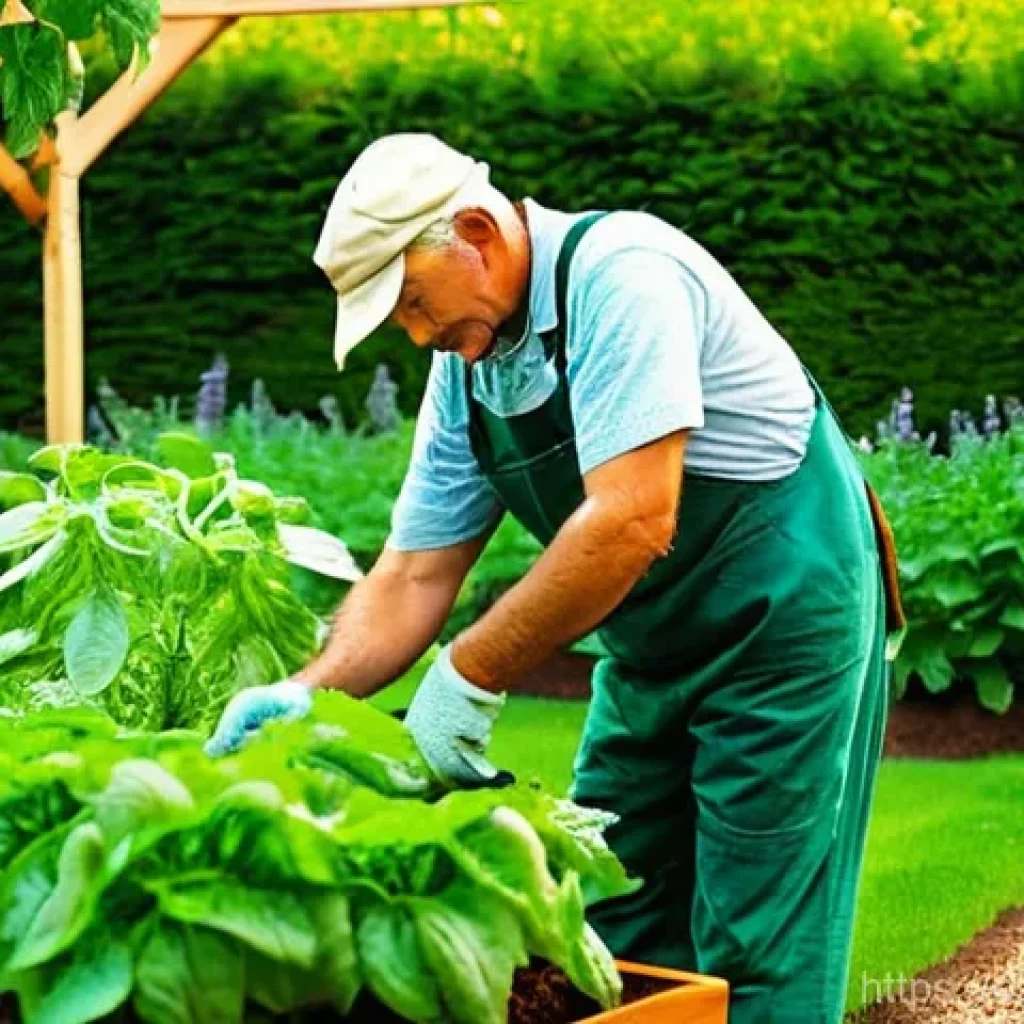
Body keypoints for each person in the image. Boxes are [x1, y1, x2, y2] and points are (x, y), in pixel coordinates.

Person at [206, 133, 906, 1024]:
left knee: (758, 932)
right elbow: (416, 572)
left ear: (476, 233)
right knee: (606, 907)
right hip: (651, 641)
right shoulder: (470, 365)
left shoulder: (625, 277)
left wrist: (469, 674)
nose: (419, 335)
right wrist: (304, 693)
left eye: (414, 302)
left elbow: (631, 519)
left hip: (782, 621)